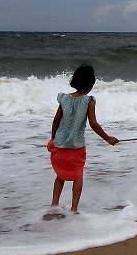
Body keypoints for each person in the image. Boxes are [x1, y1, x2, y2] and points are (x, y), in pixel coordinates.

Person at [47, 64, 118, 215]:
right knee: (77, 176)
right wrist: (108, 138)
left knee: (60, 176)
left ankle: (54, 205)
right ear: (91, 85)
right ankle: (74, 209)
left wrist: (53, 138)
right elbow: (93, 123)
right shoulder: (88, 101)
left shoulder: (64, 99)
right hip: (76, 147)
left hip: (59, 146)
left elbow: (56, 120)